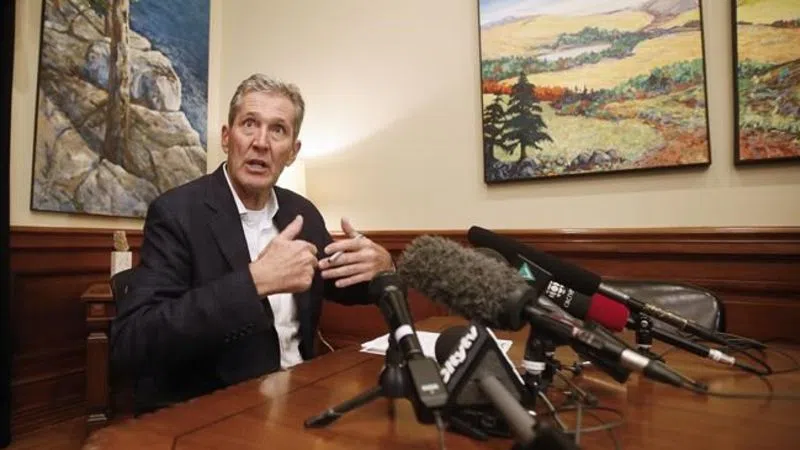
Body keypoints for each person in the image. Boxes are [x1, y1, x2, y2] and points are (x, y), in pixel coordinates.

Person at [110, 73, 394, 413]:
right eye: (249, 124)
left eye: (278, 130)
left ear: (292, 152)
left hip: (302, 397)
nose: (261, 142)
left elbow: (344, 283)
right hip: (215, 411)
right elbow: (134, 340)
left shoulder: (301, 213)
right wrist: (254, 282)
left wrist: (382, 266)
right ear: (226, 137)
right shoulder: (176, 213)